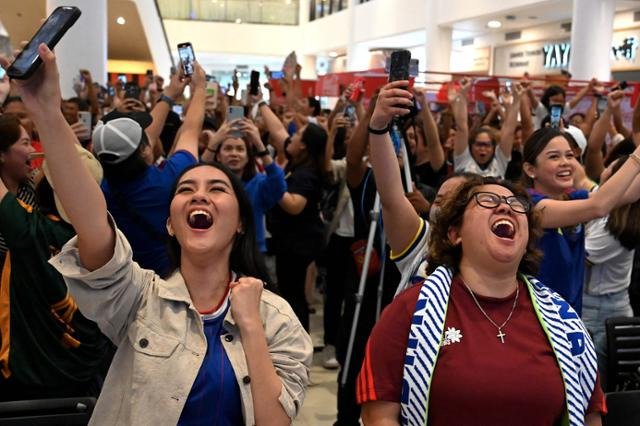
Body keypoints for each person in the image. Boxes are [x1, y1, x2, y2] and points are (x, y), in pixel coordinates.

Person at [5, 43, 312, 425]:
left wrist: (249, 325)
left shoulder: (276, 318)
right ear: (170, 222)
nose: (199, 194)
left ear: (241, 223)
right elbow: (91, 222)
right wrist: (45, 111)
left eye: (216, 189)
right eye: (186, 190)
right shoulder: (138, 301)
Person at [0, 140, 109, 401]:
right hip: (85, 375)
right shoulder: (106, 242)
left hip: (26, 378)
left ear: (47, 186)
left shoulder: (28, 229)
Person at [522, 120, 640, 314]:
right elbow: (599, 206)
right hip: (539, 317)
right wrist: (636, 157)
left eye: (570, 155)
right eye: (554, 156)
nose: (565, 162)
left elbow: (630, 193)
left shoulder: (571, 198)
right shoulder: (531, 206)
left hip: (570, 316)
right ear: (530, 169)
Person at [92, 67, 195, 277]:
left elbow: (140, 140)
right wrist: (199, 88)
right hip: (167, 278)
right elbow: (191, 130)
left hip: (125, 281)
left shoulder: (100, 191)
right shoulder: (166, 180)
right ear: (144, 150)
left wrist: (168, 96)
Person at [259, 99, 327, 331]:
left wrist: (271, 176)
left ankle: (297, 343)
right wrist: (260, 102)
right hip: (290, 242)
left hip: (299, 245)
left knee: (293, 296)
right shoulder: (296, 161)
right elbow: (278, 131)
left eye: (298, 134)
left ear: (305, 146)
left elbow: (294, 205)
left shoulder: (307, 174)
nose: (293, 135)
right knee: (289, 293)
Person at [202, 117, 286, 253]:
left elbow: (279, 185)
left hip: (252, 251)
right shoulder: (208, 185)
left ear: (248, 157)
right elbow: (195, 172)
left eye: (240, 149)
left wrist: (259, 144)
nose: (234, 154)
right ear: (218, 156)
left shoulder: (258, 184)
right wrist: (213, 143)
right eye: (228, 149)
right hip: (216, 250)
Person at [449, 79, 522, 178]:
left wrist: (517, 100)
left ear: (493, 148)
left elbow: (509, 131)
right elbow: (461, 127)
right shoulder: (463, 160)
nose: (482, 149)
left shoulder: (499, 161)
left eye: (487, 145)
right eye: (479, 144)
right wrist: (462, 95)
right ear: (471, 146)